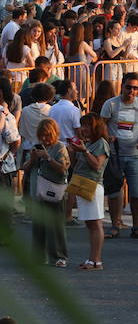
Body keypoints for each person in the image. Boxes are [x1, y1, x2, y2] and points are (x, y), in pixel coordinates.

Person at [99, 72, 138, 239]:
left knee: (136, 193)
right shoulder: (111, 104)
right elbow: (101, 124)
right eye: (128, 87)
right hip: (114, 155)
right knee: (115, 192)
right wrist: (107, 137)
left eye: (135, 88)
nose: (131, 91)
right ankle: (115, 224)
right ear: (121, 86)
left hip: (133, 154)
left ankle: (136, 226)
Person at [69, 116, 110, 272]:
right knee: (89, 224)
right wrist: (73, 152)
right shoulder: (87, 143)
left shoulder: (101, 144)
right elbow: (76, 165)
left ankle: (96, 260)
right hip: (82, 183)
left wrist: (84, 151)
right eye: (83, 125)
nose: (84, 129)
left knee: (95, 224)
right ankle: (92, 258)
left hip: (93, 185)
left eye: (87, 126)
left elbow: (97, 165)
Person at [26, 118, 69, 267]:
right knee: (38, 225)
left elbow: (63, 169)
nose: (44, 138)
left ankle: (59, 256)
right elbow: (24, 167)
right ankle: (39, 256)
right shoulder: (38, 147)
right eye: (41, 135)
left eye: (47, 135)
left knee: (56, 227)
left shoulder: (60, 148)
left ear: (54, 133)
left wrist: (47, 157)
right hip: (39, 191)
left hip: (54, 191)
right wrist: (32, 159)